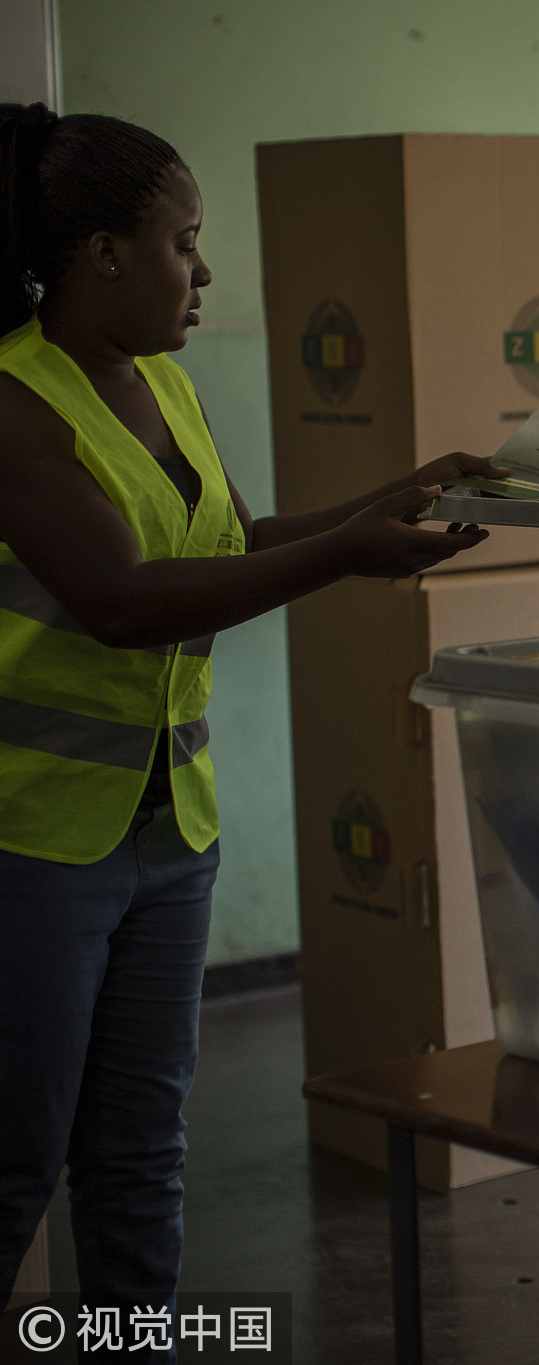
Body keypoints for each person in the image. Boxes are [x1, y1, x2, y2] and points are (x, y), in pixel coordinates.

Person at [0, 103, 497, 1353]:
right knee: (14, 1165)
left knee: (138, 1157)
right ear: (103, 253)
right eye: (186, 242)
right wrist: (341, 557)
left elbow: (219, 545)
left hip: (169, 829)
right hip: (33, 843)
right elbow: (117, 599)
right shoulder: (12, 401)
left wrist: (391, 502)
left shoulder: (160, 381)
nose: (204, 272)